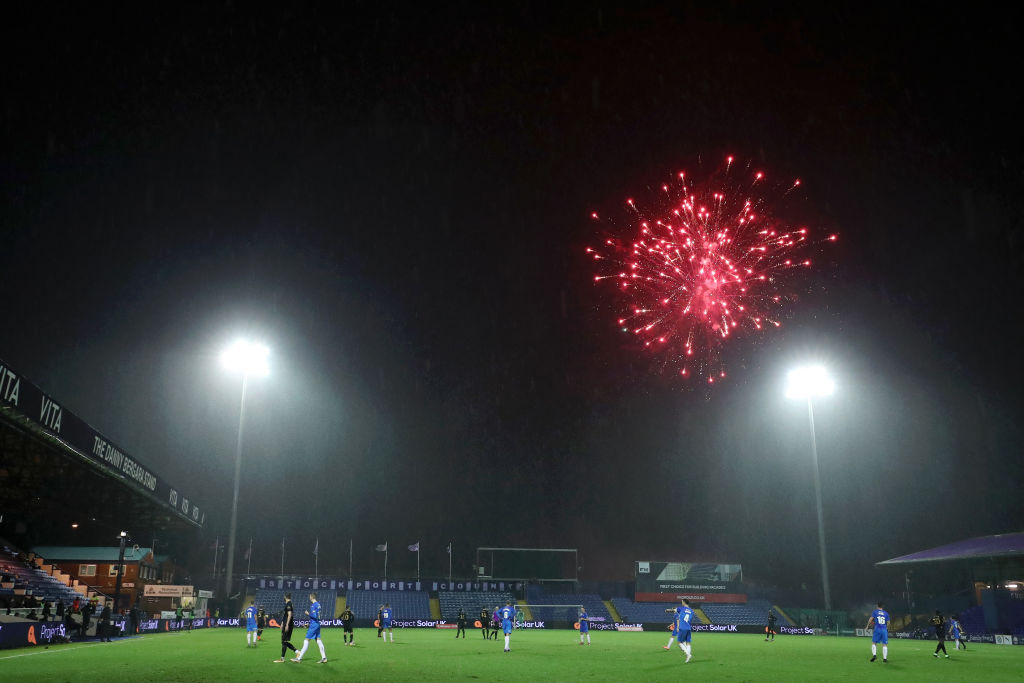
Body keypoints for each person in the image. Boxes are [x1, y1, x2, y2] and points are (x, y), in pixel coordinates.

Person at [291, 591, 327, 663]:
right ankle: (324, 658)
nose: (309, 598)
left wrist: (308, 614)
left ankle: (299, 658)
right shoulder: (318, 605)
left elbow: (314, 616)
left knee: (306, 640)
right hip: (317, 624)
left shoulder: (313, 605)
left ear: (312, 597)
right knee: (318, 640)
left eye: (310, 597)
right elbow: (316, 618)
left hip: (314, 625)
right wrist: (309, 624)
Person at [273, 592, 298, 663]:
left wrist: (287, 624)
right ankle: (296, 652)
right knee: (284, 641)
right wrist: (282, 622)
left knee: (284, 641)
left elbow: (289, 615)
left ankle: (283, 658)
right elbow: (286, 615)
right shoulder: (289, 604)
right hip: (286, 624)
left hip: (288, 624)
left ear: (285, 597)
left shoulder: (289, 604)